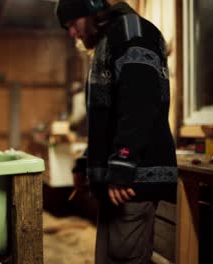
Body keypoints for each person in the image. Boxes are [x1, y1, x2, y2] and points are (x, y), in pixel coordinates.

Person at [55, 1, 178, 263]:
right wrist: (86, 163)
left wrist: (122, 163)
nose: (72, 34)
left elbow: (139, 102)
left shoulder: (131, 32)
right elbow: (108, 121)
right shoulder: (111, 40)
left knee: (123, 258)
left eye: (73, 24)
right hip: (120, 181)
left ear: (91, 11)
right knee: (111, 257)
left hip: (133, 180)